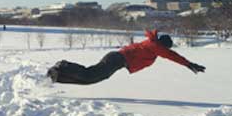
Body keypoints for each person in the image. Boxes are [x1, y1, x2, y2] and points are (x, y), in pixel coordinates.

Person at [47, 29, 205, 85]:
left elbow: (169, 54)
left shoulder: (152, 45)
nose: (165, 51)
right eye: (166, 48)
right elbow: (172, 55)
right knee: (90, 75)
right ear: (163, 45)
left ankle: (58, 76)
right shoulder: (155, 46)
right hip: (117, 59)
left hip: (117, 60)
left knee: (91, 78)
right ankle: (63, 66)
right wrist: (189, 64)